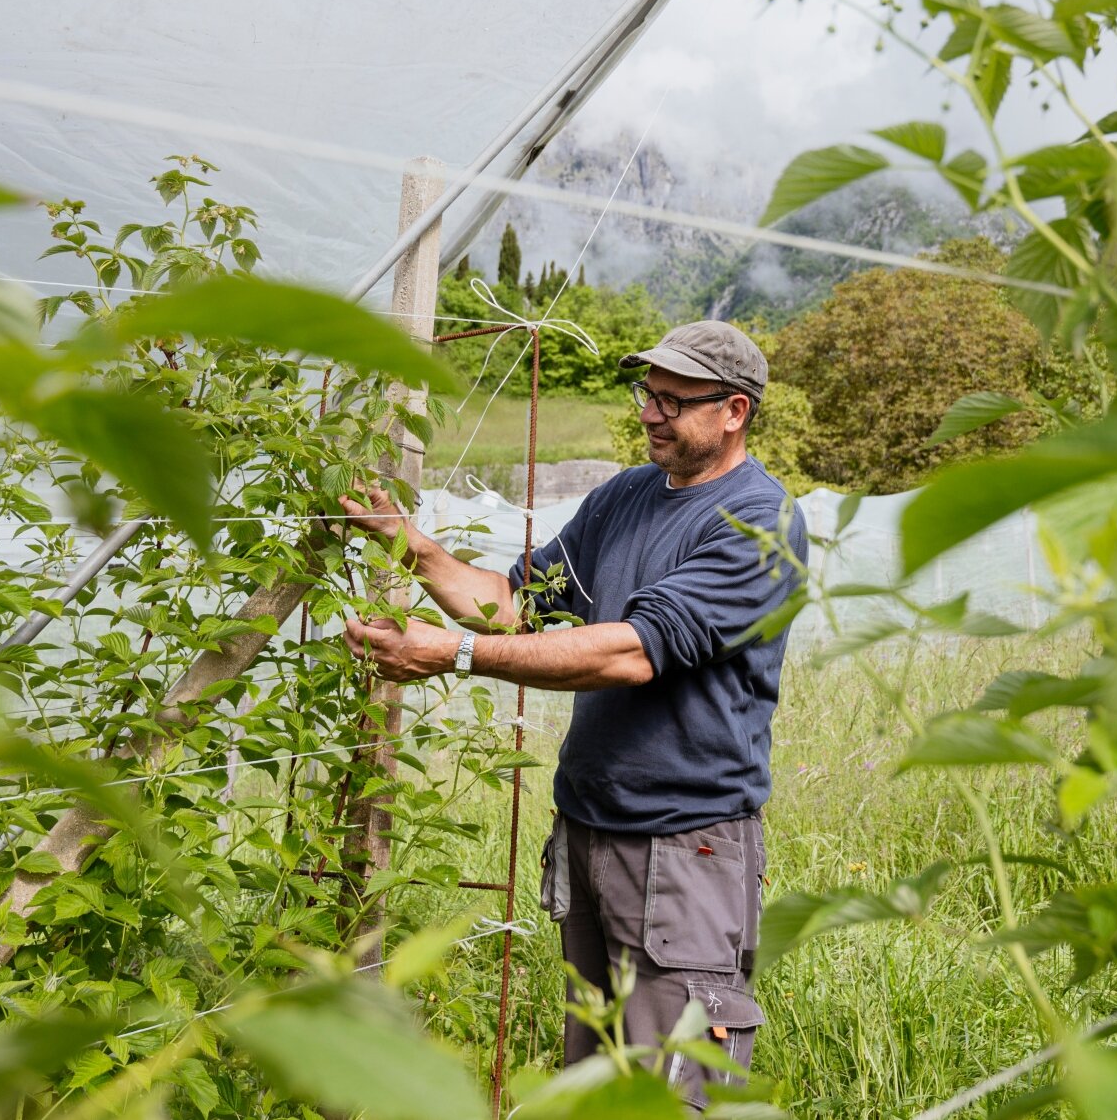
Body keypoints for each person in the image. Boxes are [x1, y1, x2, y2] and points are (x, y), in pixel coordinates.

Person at [340, 319, 807, 1106]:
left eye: (673, 400)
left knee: (667, 1088)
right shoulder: (625, 496)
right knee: (593, 1084)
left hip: (684, 848)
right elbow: (515, 605)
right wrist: (413, 549)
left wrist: (450, 655)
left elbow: (630, 652)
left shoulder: (758, 522)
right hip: (590, 833)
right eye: (646, 393)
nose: (651, 413)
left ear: (734, 411)